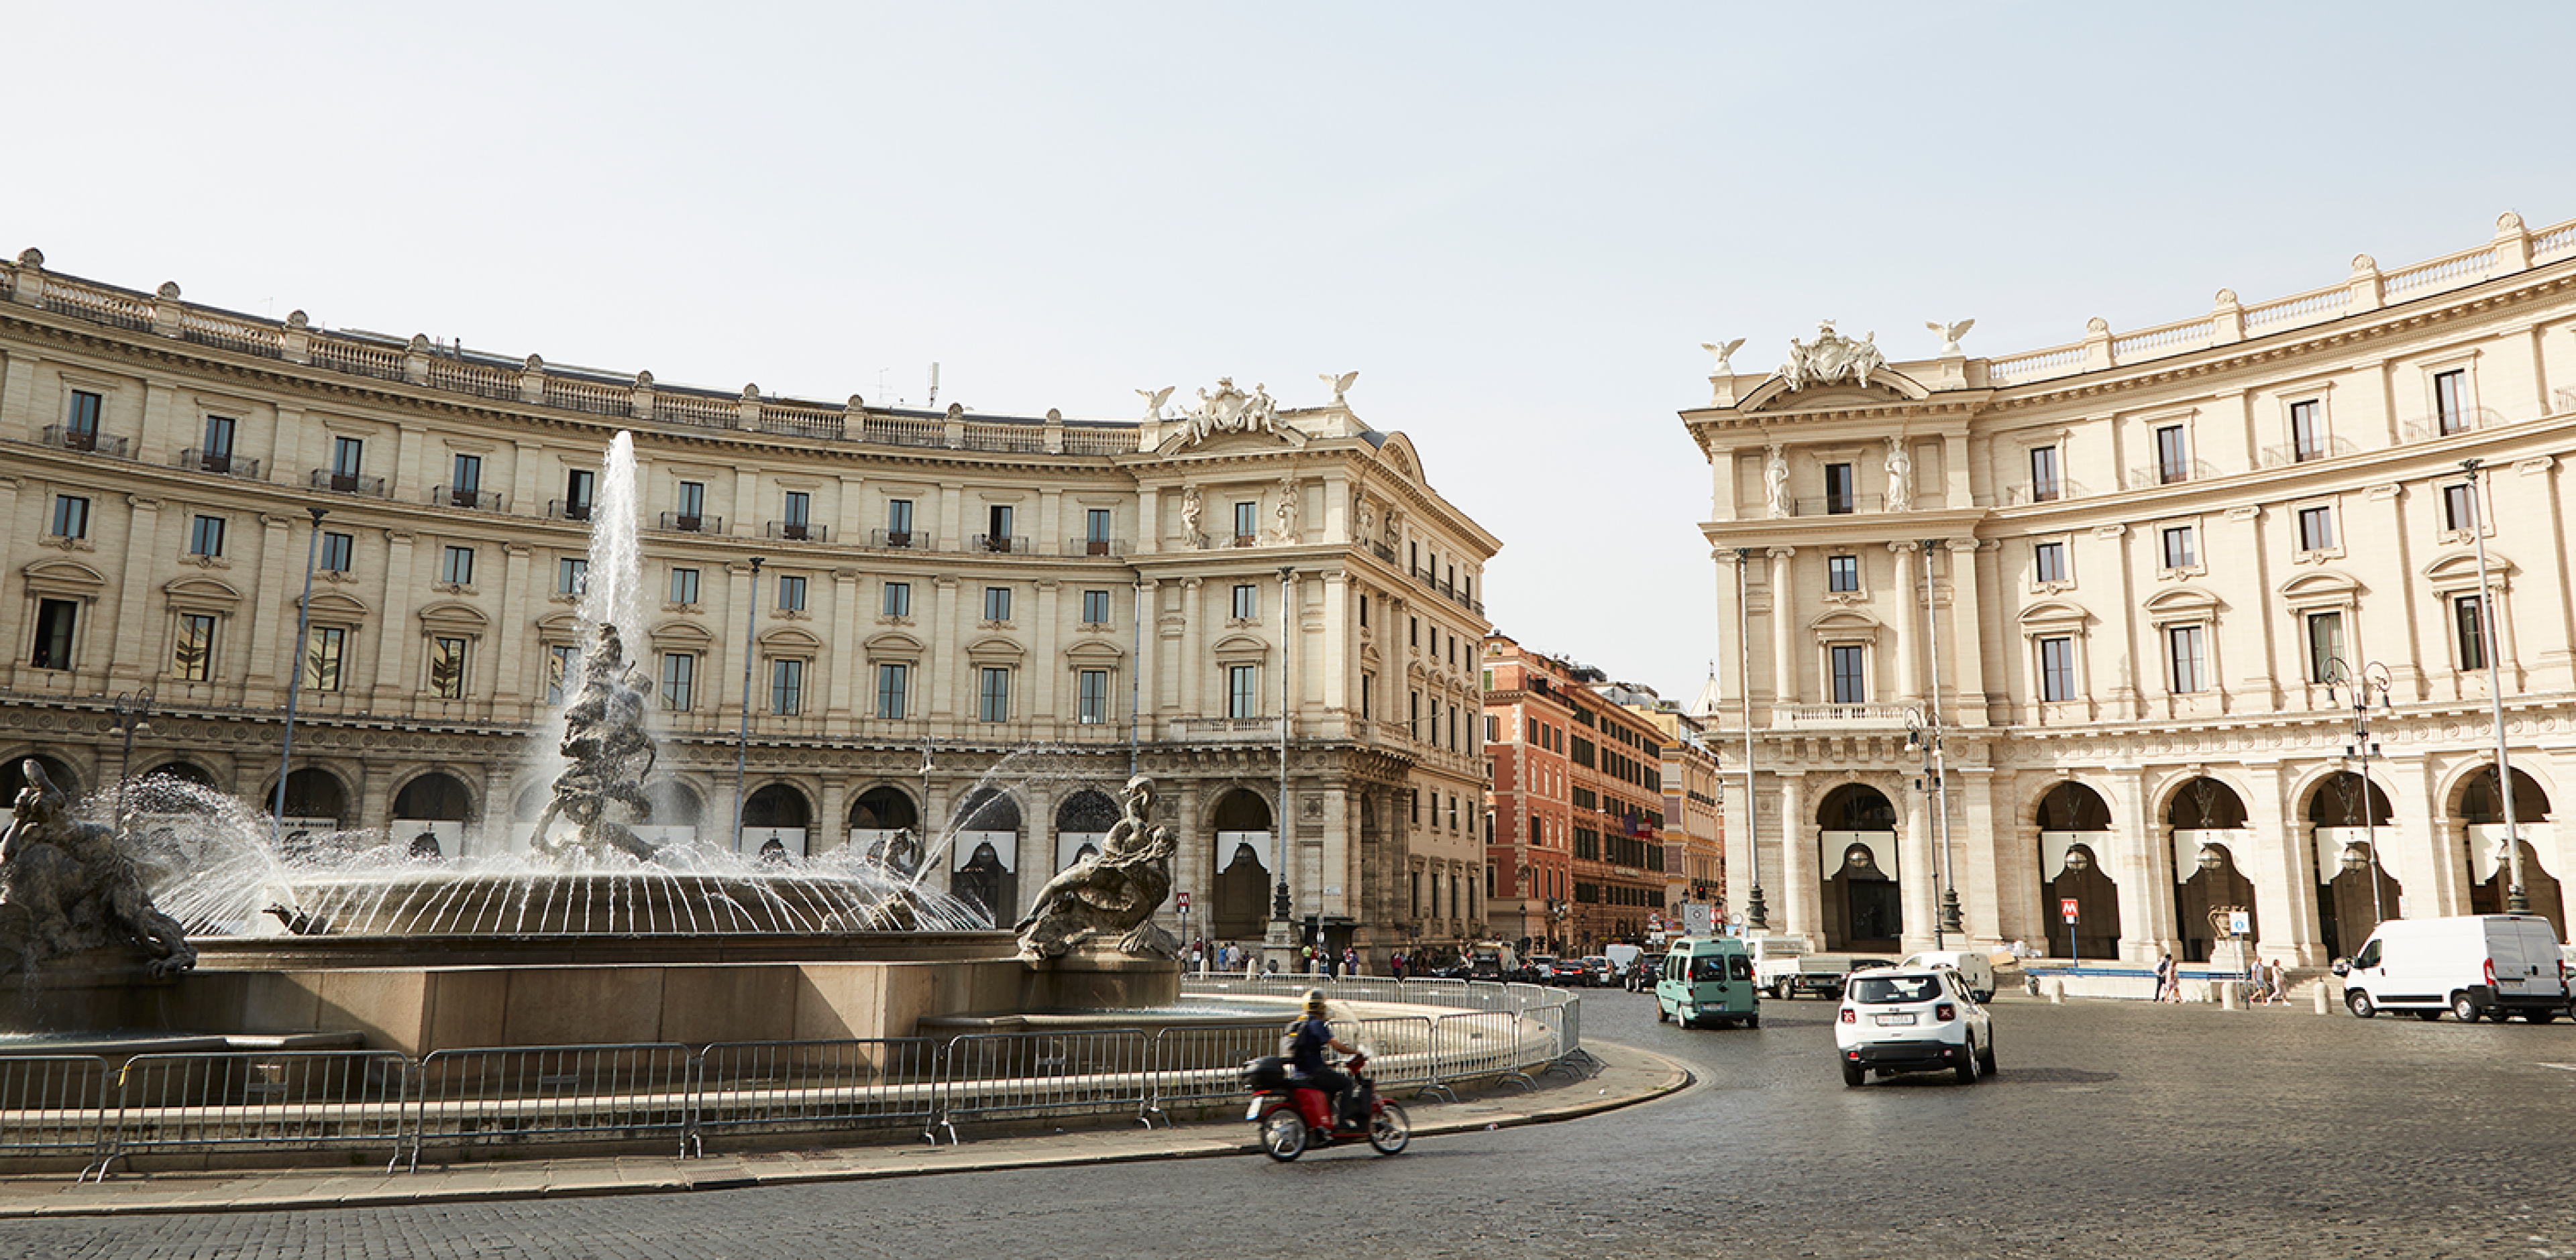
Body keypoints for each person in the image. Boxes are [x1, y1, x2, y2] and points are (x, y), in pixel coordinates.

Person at [1286, 989, 1359, 1129]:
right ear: (1320, 1006)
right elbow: (1336, 1046)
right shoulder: (1316, 1024)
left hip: (1300, 1073)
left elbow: (1308, 1051)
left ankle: (1327, 1122)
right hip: (1314, 1072)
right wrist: (1356, 1052)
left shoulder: (1301, 1023)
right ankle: (1344, 1122)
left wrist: (1326, 1063)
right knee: (1347, 1084)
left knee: (1331, 1086)